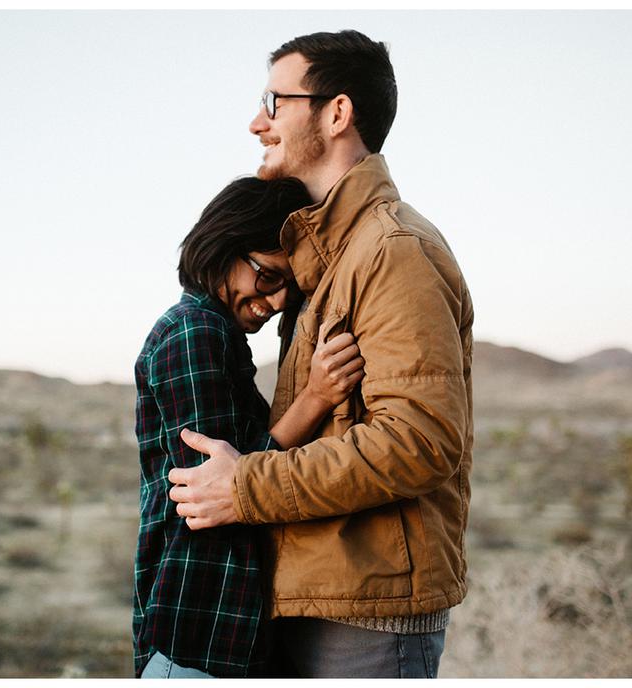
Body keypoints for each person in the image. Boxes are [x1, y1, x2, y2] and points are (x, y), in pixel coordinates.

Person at [168, 30, 475, 679]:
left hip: (367, 615)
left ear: (337, 113)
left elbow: (420, 441)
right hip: (313, 595)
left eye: (274, 103)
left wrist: (246, 487)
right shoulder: (327, 254)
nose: (257, 123)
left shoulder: (392, 250)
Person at [133, 176, 365, 678]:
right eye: (267, 276)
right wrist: (316, 398)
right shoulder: (193, 332)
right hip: (200, 630)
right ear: (223, 247)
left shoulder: (217, 333)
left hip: (220, 630)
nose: (278, 300)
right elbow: (218, 485)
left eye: (289, 288)